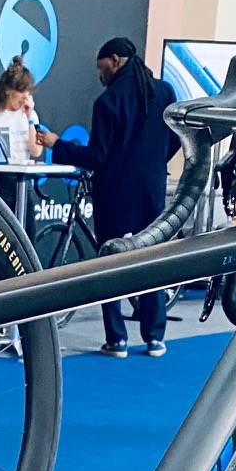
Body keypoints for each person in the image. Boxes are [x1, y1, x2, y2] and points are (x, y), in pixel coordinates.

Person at [37, 38, 179, 357]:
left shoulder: (108, 101)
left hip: (114, 195)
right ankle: (155, 337)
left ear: (115, 60)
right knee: (153, 262)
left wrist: (57, 144)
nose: (100, 77)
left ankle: (117, 339)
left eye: (101, 69)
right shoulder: (165, 93)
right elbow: (175, 140)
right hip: (152, 192)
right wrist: (154, 165)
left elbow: (97, 156)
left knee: (108, 264)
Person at [0, 56, 44, 163]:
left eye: (27, 91)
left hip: (21, 172)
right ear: (8, 90)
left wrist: (30, 118)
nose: (25, 96)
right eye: (21, 91)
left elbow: (36, 151)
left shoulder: (31, 116)